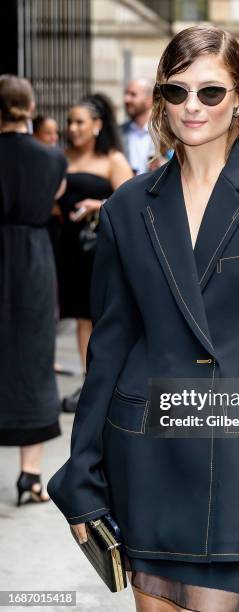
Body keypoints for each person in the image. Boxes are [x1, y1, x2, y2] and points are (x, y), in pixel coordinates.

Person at [47, 24, 239, 612]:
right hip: (143, 453)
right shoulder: (130, 205)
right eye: (176, 92)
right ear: (160, 99)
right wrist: (82, 478)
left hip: (235, 452)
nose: (192, 107)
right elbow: (108, 348)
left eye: (211, 91)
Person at [0, 75, 67, 504]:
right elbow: (56, 196)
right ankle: (30, 475)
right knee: (34, 356)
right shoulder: (52, 159)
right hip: (34, 258)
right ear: (31, 107)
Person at [56, 93, 133, 412]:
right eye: (70, 122)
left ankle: (107, 380)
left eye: (79, 122)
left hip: (99, 247)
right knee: (80, 317)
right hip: (68, 246)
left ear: (97, 126)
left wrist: (97, 205)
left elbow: (131, 201)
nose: (73, 128)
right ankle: (90, 381)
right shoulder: (63, 156)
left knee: (98, 314)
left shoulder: (112, 159)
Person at [121, 77, 157, 174]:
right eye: (126, 94)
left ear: (149, 100)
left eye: (133, 95)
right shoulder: (118, 132)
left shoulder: (166, 133)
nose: (126, 99)